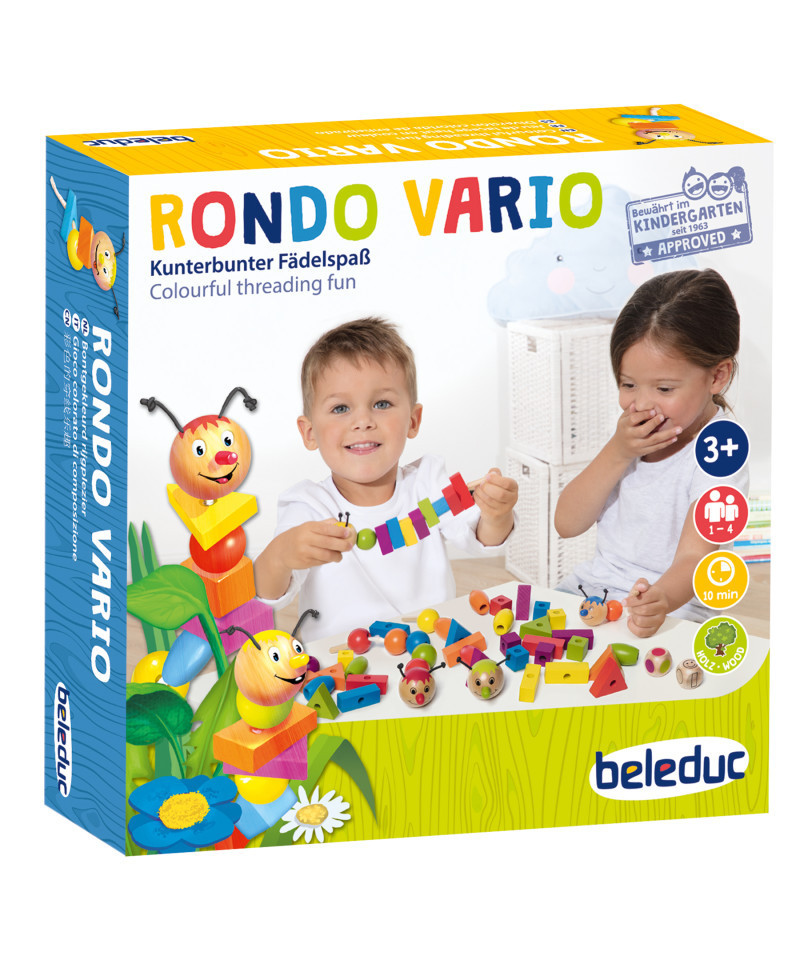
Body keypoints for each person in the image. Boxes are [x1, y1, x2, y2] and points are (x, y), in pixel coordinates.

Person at [254, 317, 518, 644]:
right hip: (340, 660)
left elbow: (483, 539)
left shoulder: (428, 484)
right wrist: (279, 556)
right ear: (309, 433)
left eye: (381, 404)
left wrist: (497, 513)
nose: (363, 421)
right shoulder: (309, 507)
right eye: (340, 408)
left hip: (430, 650)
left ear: (413, 420)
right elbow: (268, 594)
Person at [554, 269, 748, 638]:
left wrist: (660, 599)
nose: (641, 403)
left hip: (674, 604)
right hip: (595, 588)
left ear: (717, 376)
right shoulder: (632, 432)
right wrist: (617, 451)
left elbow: (695, 558)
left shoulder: (721, 451)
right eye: (628, 384)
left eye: (664, 388)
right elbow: (567, 524)